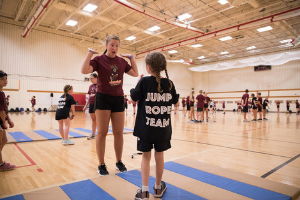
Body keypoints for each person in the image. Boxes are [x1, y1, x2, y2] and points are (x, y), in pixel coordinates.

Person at [81, 34, 138, 176]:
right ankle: (101, 164)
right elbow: (84, 70)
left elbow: (135, 73)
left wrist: (131, 58)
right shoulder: (99, 59)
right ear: (106, 45)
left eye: (117, 45)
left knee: (119, 133)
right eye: (112, 45)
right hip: (103, 98)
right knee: (102, 132)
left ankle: (119, 161)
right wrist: (89, 53)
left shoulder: (121, 61)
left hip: (118, 98)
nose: (115, 48)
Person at [130, 52, 178, 200]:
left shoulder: (144, 82)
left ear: (148, 67)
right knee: (160, 156)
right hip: (163, 129)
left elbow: (133, 97)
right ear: (163, 67)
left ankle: (144, 191)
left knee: (146, 157)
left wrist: (138, 82)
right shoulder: (170, 84)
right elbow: (175, 101)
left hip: (146, 128)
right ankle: (157, 188)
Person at [0, 71, 15, 171]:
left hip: (2, 120)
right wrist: (3, 123)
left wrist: (8, 119)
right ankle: (1, 165)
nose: (5, 81)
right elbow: (0, 110)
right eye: (2, 79)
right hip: (0, 121)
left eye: (6, 79)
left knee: (4, 140)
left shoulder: (2, 93)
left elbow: (4, 108)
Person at [83, 73, 98, 140]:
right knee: (93, 120)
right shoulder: (91, 86)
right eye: (90, 78)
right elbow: (89, 96)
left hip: (98, 104)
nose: (90, 80)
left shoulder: (100, 85)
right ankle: (93, 134)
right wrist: (86, 105)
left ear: (96, 78)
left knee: (99, 120)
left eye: (92, 78)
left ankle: (101, 134)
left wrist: (96, 94)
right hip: (91, 104)